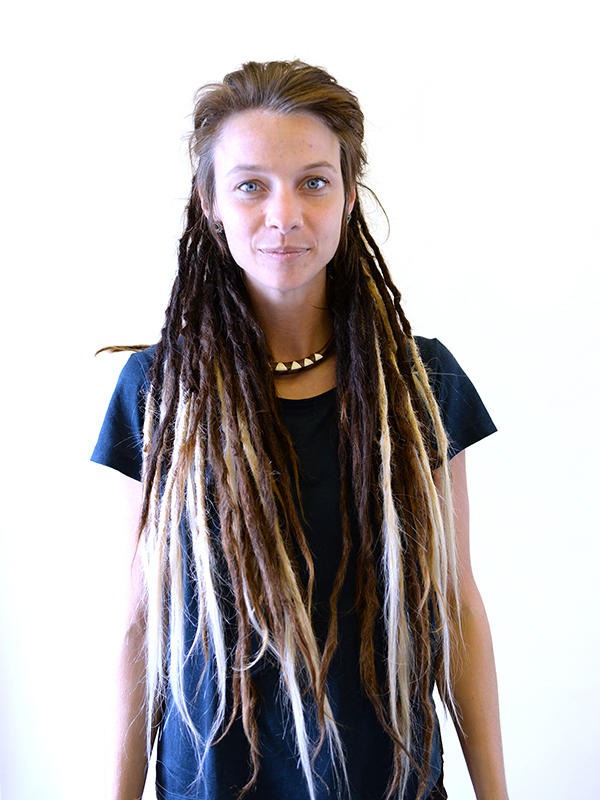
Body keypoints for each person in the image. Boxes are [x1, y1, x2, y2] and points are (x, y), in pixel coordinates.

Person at [92, 60, 509, 800]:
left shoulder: (422, 384)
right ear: (210, 202)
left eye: (313, 182)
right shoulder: (159, 393)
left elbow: (455, 603)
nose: (283, 214)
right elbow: (139, 623)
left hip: (389, 783)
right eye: (251, 185)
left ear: (348, 195)